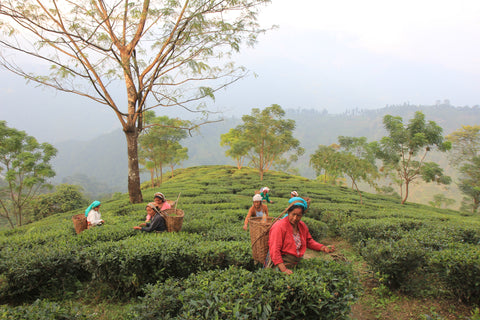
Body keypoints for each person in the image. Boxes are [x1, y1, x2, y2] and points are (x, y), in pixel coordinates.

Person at [265, 200, 334, 274]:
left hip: (295, 263)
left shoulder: (302, 226)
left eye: (298, 215)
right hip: (281, 264)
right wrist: (284, 270)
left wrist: (323, 247)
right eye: (293, 214)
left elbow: (308, 241)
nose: (295, 218)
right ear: (288, 212)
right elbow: (274, 250)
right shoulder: (279, 226)